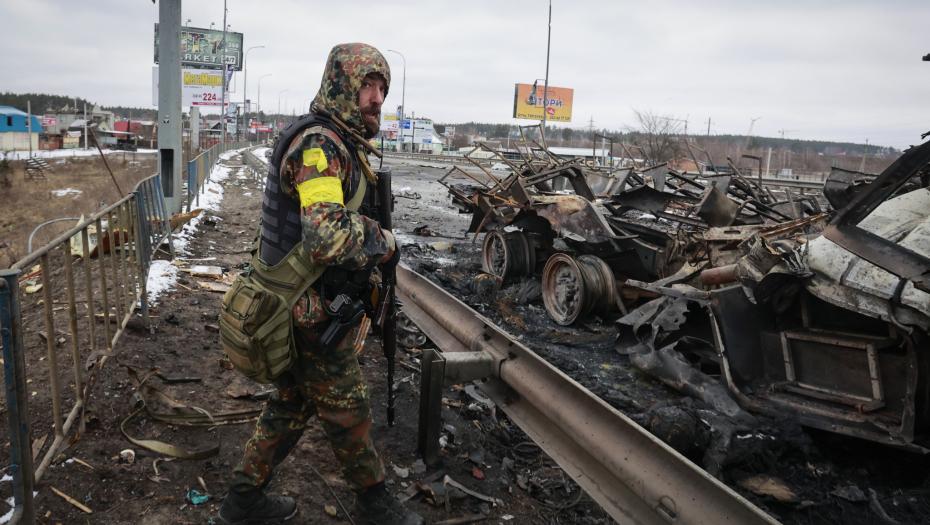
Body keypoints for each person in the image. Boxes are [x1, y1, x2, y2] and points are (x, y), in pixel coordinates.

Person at [218, 43, 424, 525]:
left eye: (381, 89)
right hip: (303, 305)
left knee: (294, 402)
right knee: (347, 405)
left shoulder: (339, 141)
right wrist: (385, 240)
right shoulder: (320, 146)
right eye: (366, 86)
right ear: (341, 87)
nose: (376, 98)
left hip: (303, 299)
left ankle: (242, 499)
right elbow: (327, 234)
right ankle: (374, 503)